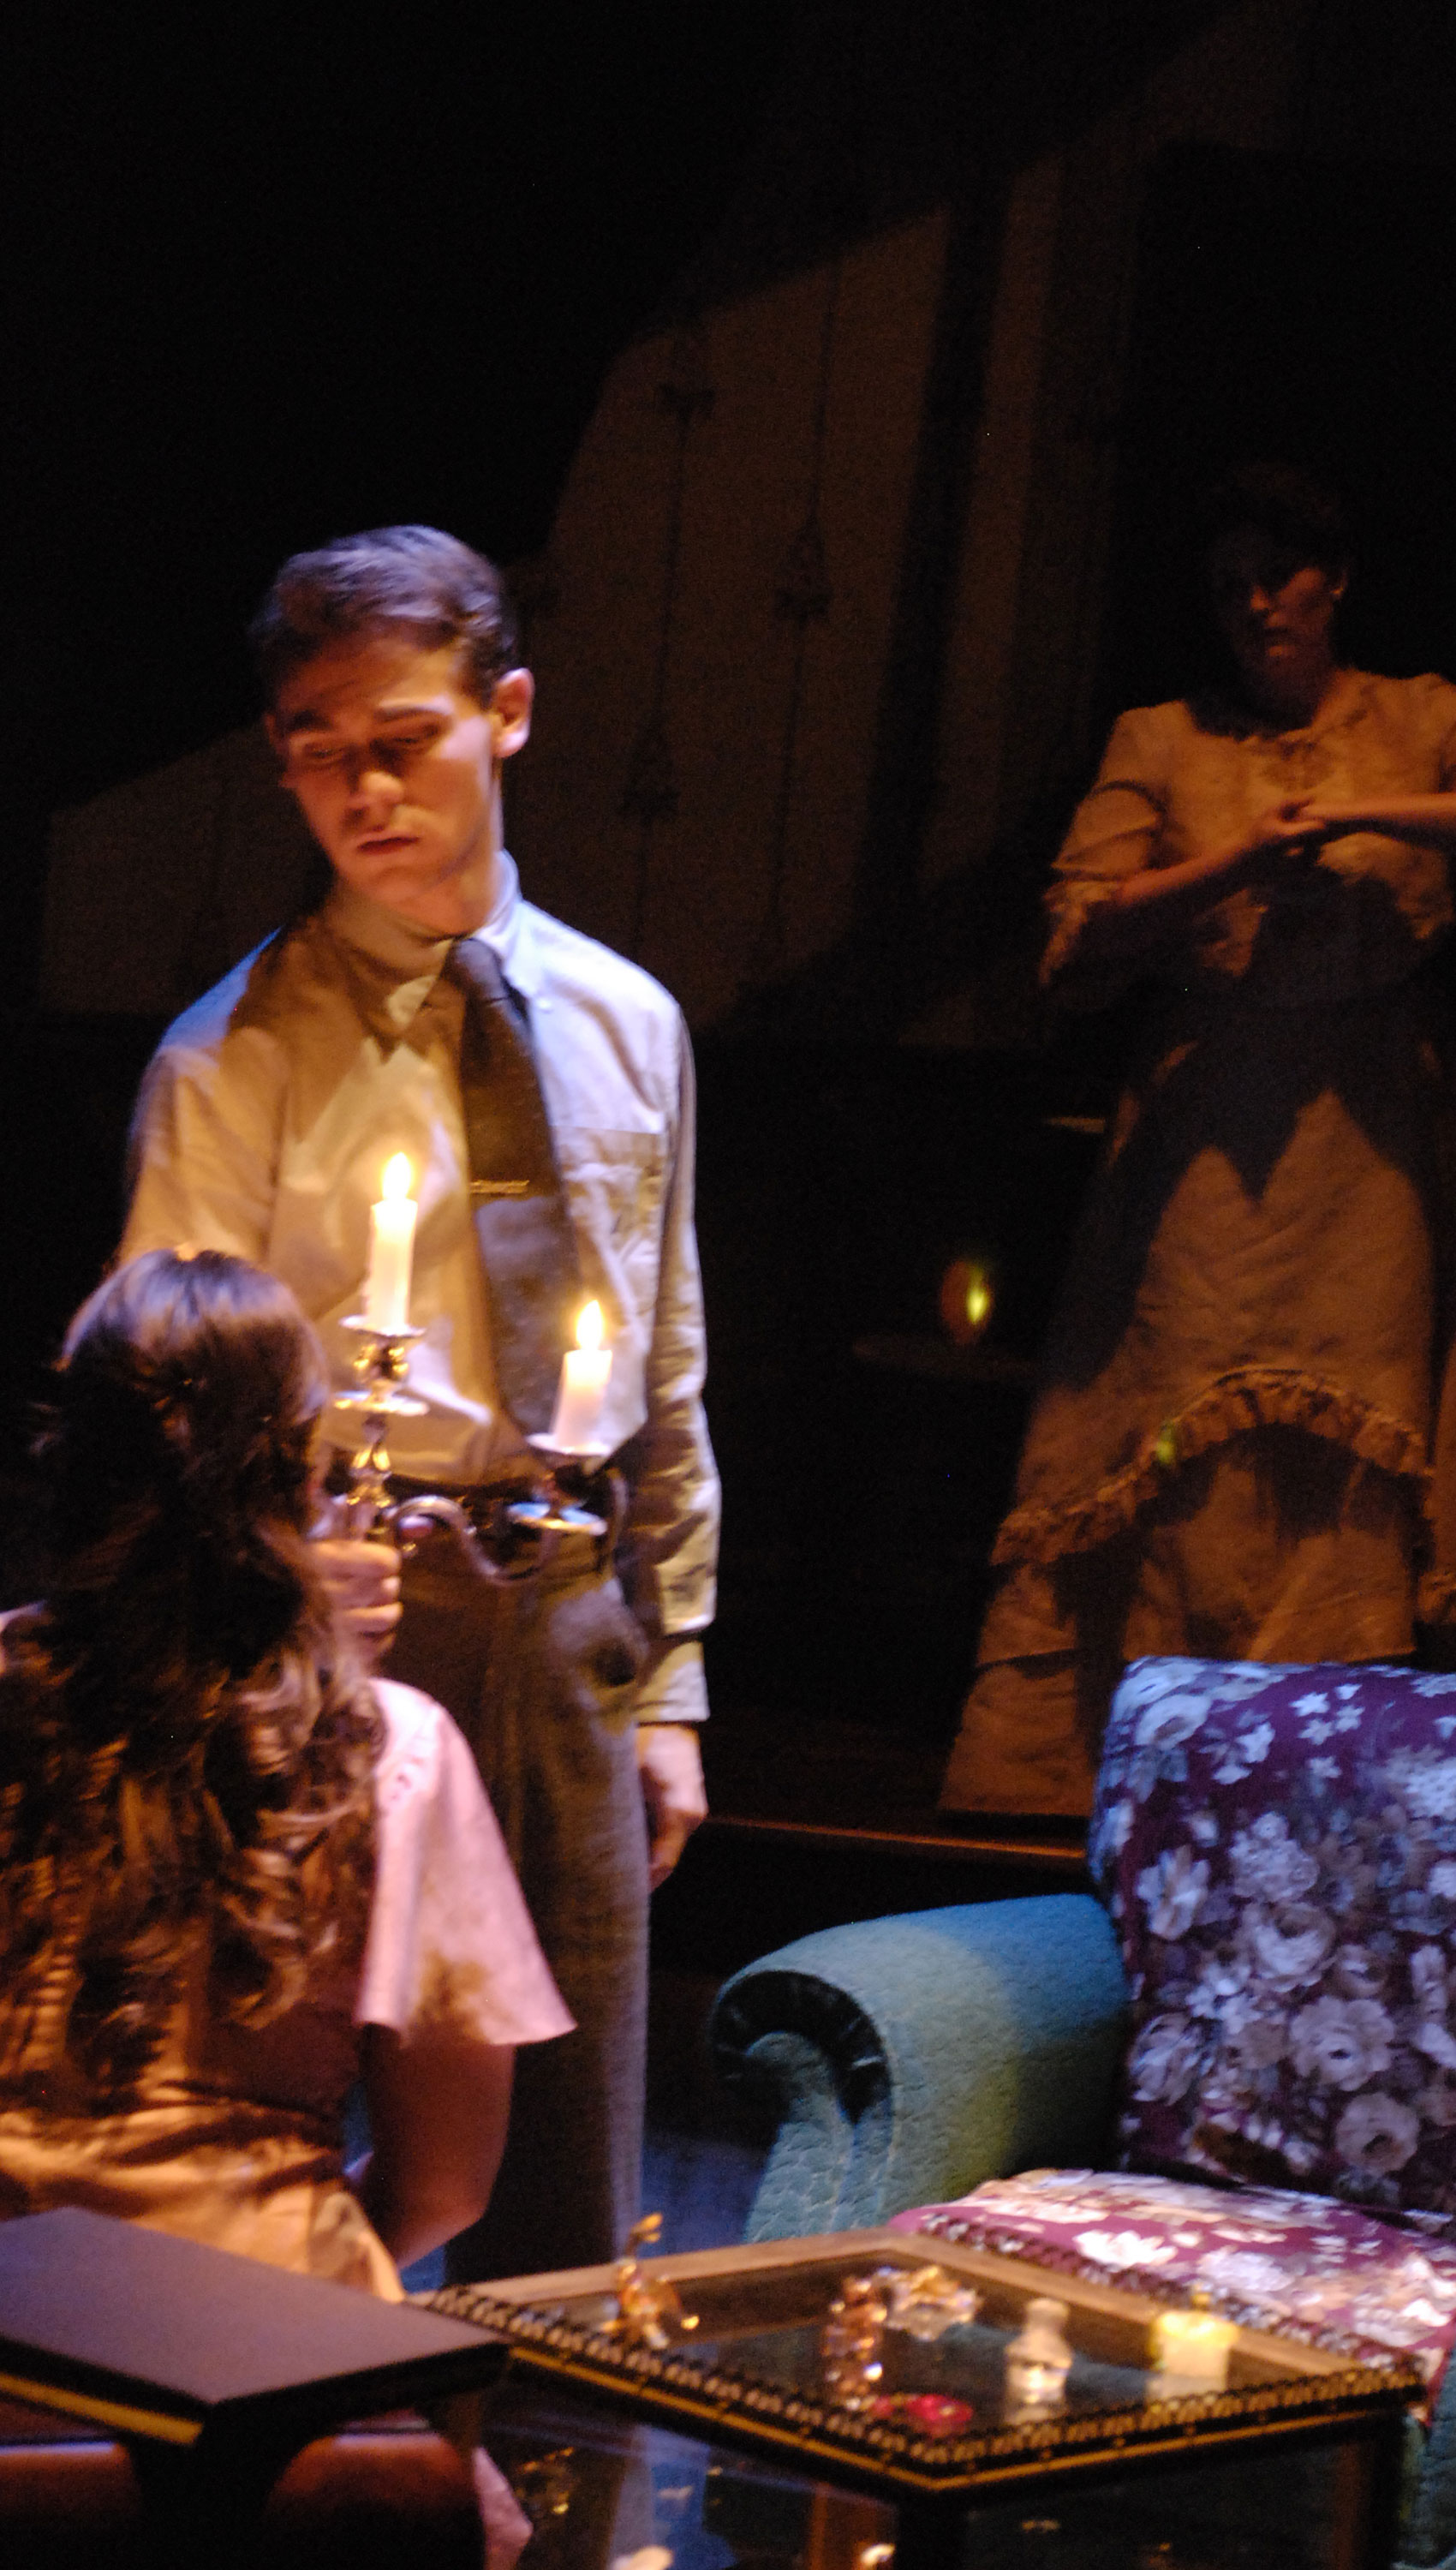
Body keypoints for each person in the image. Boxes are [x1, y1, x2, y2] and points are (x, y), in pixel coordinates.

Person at [120, 526, 719, 2279]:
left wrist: (669, 1677)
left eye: (402, 736)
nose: (361, 787)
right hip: (326, 1636)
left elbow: (664, 1368)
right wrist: (272, 1578)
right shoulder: (233, 1058)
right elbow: (156, 1413)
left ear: (505, 712)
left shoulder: (628, 1022)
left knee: (558, 2175)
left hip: (551, 1622)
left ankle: (543, 2523)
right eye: (316, 748)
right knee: (288, 2132)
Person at [942, 463, 1456, 1822]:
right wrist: (1236, 866)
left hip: (1370, 1136)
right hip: (1204, 1139)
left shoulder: (1422, 717)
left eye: (1277, 579)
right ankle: (1134, 1778)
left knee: (1346, 1438)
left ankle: (1316, 1792)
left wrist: (1359, 817)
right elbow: (1074, 935)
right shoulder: (1164, 737)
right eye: (1228, 584)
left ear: (1332, 582)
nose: (1252, 607)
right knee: (1173, 1422)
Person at [0, 1248, 571, 2291]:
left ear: (65, 1460)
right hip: (259, 2359)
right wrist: (284, 2274)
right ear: (304, 1475)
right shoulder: (393, 1749)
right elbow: (446, 2183)